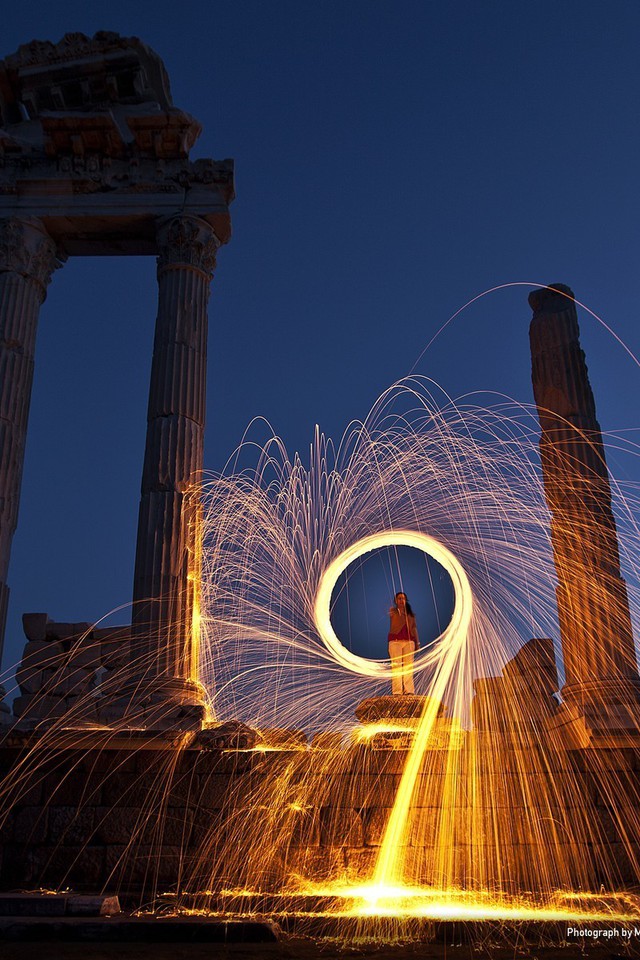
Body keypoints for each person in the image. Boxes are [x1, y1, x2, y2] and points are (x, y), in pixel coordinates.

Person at [388, 592, 419, 695]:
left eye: (403, 598)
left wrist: (417, 642)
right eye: (399, 598)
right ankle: (397, 692)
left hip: (409, 642)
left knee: (408, 667)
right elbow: (388, 612)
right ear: (396, 601)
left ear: (406, 601)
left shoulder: (411, 615)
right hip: (395, 642)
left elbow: (414, 628)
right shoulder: (394, 612)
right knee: (396, 667)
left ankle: (409, 691)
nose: (402, 600)